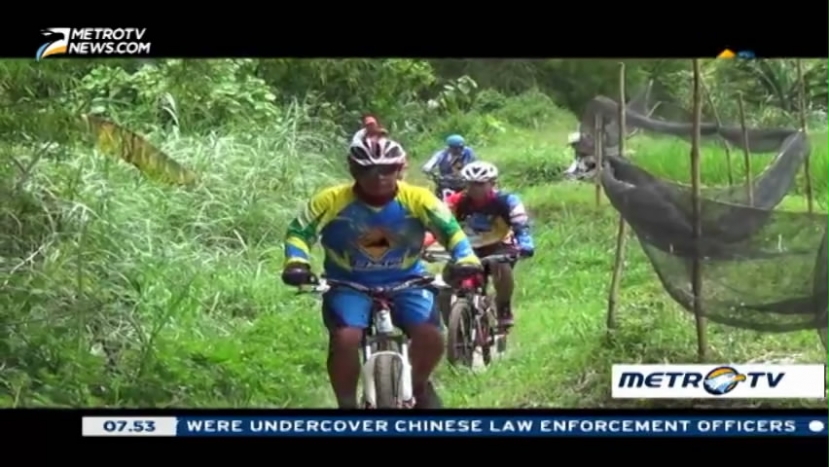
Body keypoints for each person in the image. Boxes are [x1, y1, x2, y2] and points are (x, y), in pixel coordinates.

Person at [281, 135, 482, 409]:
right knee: (346, 338)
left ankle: (419, 386)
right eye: (368, 169)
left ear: (399, 169)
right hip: (347, 283)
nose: (379, 176)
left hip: (408, 280)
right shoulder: (329, 200)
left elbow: (451, 231)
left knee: (431, 335)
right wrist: (296, 263)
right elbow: (298, 232)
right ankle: (346, 405)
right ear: (353, 170)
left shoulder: (419, 198)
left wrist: (465, 258)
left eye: (387, 169)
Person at [435, 161, 534, 328]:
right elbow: (439, 224)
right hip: (465, 248)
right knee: (444, 286)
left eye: (480, 184)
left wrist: (525, 243)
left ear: (492, 183)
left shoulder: (507, 201)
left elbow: (521, 225)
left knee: (501, 267)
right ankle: (454, 326)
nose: (475, 189)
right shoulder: (455, 201)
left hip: (498, 246)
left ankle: (503, 307)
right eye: (470, 184)